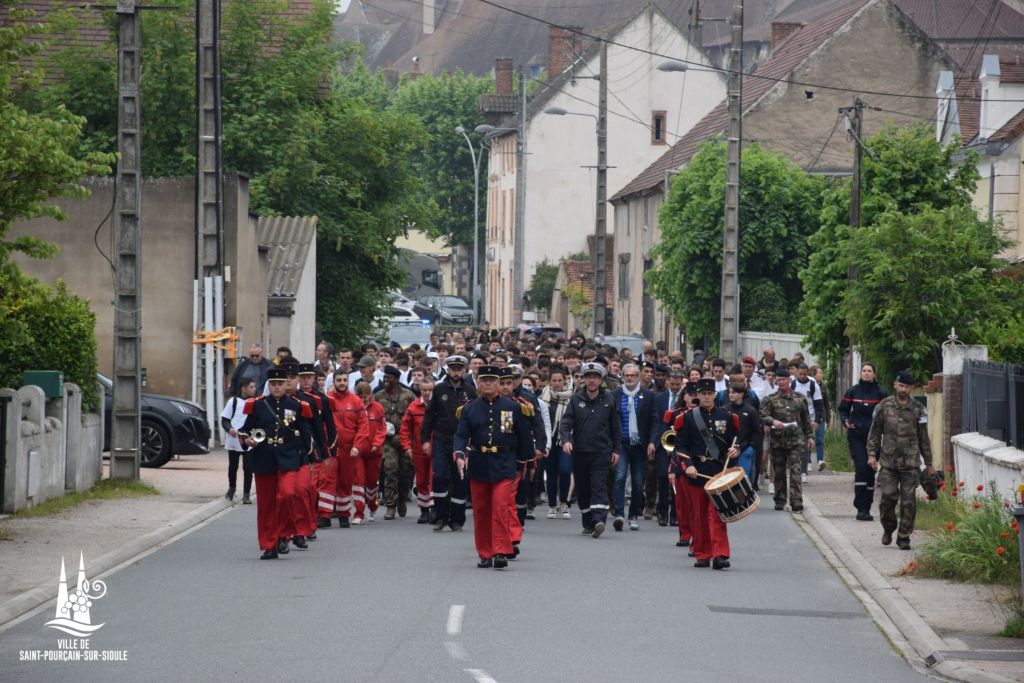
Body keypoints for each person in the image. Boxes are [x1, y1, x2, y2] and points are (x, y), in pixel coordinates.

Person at [453, 365, 534, 569]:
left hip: (505, 464)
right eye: (484, 380)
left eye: (492, 380)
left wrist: (525, 463)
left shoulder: (513, 407)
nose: (488, 383)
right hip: (479, 463)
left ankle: (500, 551)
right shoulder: (469, 409)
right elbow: (461, 435)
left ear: (499, 383)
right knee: (481, 511)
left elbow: (523, 437)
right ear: (478, 383)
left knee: (500, 508)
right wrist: (460, 455)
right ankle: (485, 552)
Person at [239, 367, 314, 559]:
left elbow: (306, 434)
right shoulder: (257, 405)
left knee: (288, 494)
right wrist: (247, 440)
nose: (277, 387)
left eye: (280, 384)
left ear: (286, 384)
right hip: (264, 458)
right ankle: (269, 544)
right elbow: (245, 430)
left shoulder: (297, 405)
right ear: (268, 385)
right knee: (266, 506)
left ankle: (284, 532)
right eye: (273, 384)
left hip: (288, 459)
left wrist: (307, 458)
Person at [673, 378, 740, 569]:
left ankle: (720, 554)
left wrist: (736, 451)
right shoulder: (687, 418)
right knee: (700, 515)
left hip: (719, 473)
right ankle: (703, 553)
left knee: (717, 514)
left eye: (710, 394)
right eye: (703, 394)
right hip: (697, 472)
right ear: (698, 396)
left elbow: (734, 441)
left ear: (715, 395)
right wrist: (688, 465)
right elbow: (680, 445)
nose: (707, 397)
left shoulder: (726, 416)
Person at [867, 371, 935, 550]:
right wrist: (872, 455)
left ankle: (904, 536)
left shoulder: (918, 409)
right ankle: (888, 528)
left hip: (911, 463)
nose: (903, 389)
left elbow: (924, 438)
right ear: (895, 385)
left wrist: (929, 463)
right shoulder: (884, 406)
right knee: (887, 498)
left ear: (911, 388)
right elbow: (874, 432)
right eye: (901, 385)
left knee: (908, 501)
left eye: (907, 386)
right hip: (888, 462)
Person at [560, 362, 620, 539]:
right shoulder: (576, 399)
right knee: (583, 488)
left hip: (602, 452)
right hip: (580, 452)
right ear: (584, 379)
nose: (592, 381)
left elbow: (616, 428)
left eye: (595, 377)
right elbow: (566, 424)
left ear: (601, 380)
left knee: (598, 485)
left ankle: (599, 520)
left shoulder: (609, 400)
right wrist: (566, 441)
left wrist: (616, 450)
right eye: (589, 377)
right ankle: (588, 521)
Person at [421, 355, 477, 531]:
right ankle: (440, 516)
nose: (455, 372)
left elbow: (475, 418)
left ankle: (457, 519)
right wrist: (425, 440)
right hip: (441, 441)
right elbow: (429, 416)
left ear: (463, 371)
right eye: (452, 369)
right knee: (439, 477)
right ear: (448, 370)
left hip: (462, 444)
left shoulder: (470, 391)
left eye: (459, 369)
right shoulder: (439, 390)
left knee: (460, 480)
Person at [760, 369, 815, 512]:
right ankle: (780, 499)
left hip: (796, 441)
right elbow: (762, 416)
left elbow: (806, 419)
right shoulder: (770, 399)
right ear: (776, 381)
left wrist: (810, 436)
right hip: (778, 442)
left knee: (796, 470)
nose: (782, 382)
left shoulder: (799, 398)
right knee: (779, 472)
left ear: (789, 380)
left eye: (784, 379)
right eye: (779, 379)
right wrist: (772, 421)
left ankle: (796, 500)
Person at [611, 363, 657, 531]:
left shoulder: (648, 396)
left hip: (640, 446)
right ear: (622, 377)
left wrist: (652, 441)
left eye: (632, 375)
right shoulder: (614, 395)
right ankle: (619, 514)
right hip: (621, 444)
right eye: (626, 375)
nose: (629, 378)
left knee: (638, 482)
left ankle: (633, 515)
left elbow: (654, 421)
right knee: (620, 477)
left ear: (638, 377)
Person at [839, 362, 887, 521]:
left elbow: (888, 413)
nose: (866, 373)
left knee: (870, 470)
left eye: (869, 371)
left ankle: (867, 507)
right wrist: (845, 421)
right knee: (861, 467)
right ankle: (860, 506)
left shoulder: (881, 393)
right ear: (861, 373)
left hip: (874, 437)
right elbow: (843, 409)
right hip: (857, 435)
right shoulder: (853, 391)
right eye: (864, 371)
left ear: (874, 374)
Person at [296, 363, 337, 534]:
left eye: (309, 377)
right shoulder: (294, 398)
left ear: (313, 378)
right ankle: (304, 520)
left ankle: (312, 520)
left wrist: (330, 451)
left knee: (313, 487)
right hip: (298, 445)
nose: (306, 380)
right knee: (303, 487)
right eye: (303, 377)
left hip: (317, 448)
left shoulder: (322, 399)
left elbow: (330, 425)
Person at [326, 370, 369, 528]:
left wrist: (357, 445)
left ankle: (344, 515)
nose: (342, 382)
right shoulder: (327, 400)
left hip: (349, 449)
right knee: (327, 482)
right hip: (330, 447)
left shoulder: (356, 401)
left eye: (345, 380)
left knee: (345, 482)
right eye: (339, 380)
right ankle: (325, 515)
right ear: (334, 381)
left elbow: (363, 426)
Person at [375, 367, 417, 520]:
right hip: (387, 441)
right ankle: (391, 506)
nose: (386, 380)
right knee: (390, 469)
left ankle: (402, 498)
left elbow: (416, 417)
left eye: (389, 378)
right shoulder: (378, 396)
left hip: (406, 440)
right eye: (385, 377)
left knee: (406, 473)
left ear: (397, 379)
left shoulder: (408, 396)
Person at [540, 366, 574, 519]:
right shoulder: (544, 397)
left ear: (565, 380)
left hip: (566, 439)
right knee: (551, 473)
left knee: (565, 470)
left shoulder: (572, 397)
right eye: (554, 380)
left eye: (560, 380)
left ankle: (564, 502)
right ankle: (552, 505)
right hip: (549, 439)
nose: (557, 383)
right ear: (549, 381)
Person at [652, 369, 684, 526]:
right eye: (672, 384)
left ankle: (675, 514)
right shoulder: (659, 398)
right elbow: (656, 422)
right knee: (663, 478)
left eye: (678, 384)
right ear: (668, 382)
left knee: (677, 480)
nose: (675, 387)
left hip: (680, 446)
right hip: (662, 446)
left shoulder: (685, 400)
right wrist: (657, 442)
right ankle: (662, 512)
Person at [401, 378, 434, 523]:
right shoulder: (413, 407)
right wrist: (407, 446)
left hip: (436, 450)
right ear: (420, 391)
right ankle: (424, 510)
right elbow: (405, 429)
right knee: (421, 481)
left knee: (434, 480)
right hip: (419, 451)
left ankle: (435, 509)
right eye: (424, 390)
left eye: (429, 390)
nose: (427, 393)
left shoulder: (438, 406)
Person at [352, 382, 385, 524]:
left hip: (374, 452)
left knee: (372, 483)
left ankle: (373, 506)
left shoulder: (378, 408)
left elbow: (381, 429)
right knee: (358, 482)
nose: (364, 400)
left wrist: (376, 444)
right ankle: (359, 513)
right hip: (358, 452)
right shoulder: (354, 408)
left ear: (370, 395)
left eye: (366, 397)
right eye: (361, 397)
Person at [221, 377, 256, 503]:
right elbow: (224, 420)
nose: (254, 389)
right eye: (251, 387)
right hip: (234, 438)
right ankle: (232, 488)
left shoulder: (255, 402)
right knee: (233, 466)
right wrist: (229, 429)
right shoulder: (233, 401)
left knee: (248, 467)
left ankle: (246, 494)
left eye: (254, 387)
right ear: (243, 388)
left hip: (248, 438)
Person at [792, 363, 824, 479]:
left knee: (805, 446)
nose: (802, 376)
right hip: (795, 419)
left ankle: (803, 471)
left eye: (804, 374)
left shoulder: (813, 385)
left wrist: (817, 421)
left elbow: (819, 405)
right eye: (800, 374)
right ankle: (795, 468)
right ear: (797, 373)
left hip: (808, 419)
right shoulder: (793, 384)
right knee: (795, 446)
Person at [724, 383, 759, 482]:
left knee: (744, 478)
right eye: (729, 392)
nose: (730, 395)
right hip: (729, 449)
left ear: (741, 394)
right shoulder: (725, 409)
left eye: (734, 392)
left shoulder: (751, 410)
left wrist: (751, 447)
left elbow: (757, 431)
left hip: (746, 448)